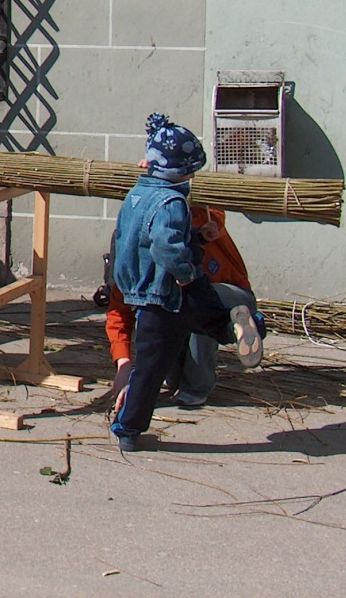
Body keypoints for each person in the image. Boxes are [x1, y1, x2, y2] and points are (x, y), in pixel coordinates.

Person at [110, 113, 264, 453]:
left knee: (148, 371)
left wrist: (192, 238)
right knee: (213, 314)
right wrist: (187, 272)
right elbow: (166, 245)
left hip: (147, 299)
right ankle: (243, 327)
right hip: (173, 291)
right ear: (181, 172)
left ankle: (127, 430)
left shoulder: (135, 195)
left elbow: (137, 240)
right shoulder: (173, 201)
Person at [105, 206, 262, 410]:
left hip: (230, 297)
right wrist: (123, 365)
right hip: (182, 303)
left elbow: (210, 213)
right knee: (171, 364)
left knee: (200, 308)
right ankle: (181, 379)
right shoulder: (130, 272)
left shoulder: (187, 227)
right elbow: (118, 316)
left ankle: (197, 386)